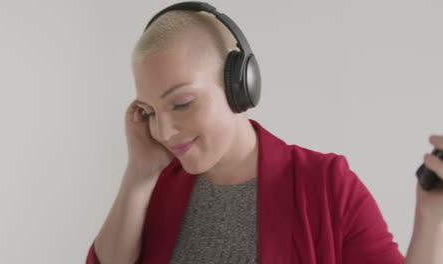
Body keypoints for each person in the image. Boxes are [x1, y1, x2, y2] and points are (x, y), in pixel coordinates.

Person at [86, 2, 443, 264]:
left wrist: (431, 219)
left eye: (181, 103)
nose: (163, 130)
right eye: (149, 111)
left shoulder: (325, 185)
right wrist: (138, 175)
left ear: (240, 85)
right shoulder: (156, 186)